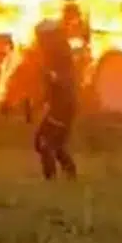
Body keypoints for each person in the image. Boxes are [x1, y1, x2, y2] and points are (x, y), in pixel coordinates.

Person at [33, 18, 78, 181]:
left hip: (64, 106)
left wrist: (53, 78)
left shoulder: (61, 53)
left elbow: (65, 80)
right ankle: (70, 172)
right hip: (58, 105)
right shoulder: (51, 54)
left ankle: (51, 179)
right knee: (44, 142)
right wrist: (43, 100)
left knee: (46, 143)